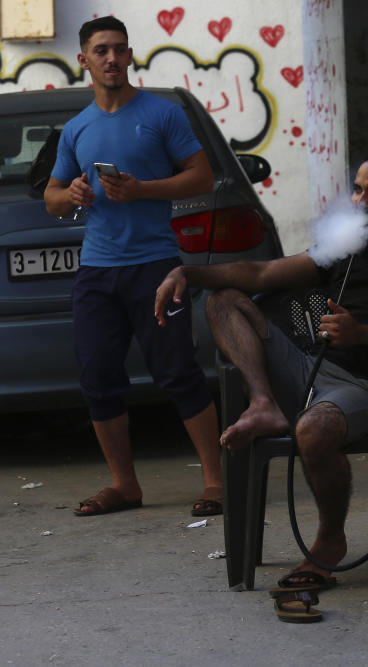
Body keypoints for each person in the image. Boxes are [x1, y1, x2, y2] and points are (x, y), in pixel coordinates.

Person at [153, 150, 368, 595]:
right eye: (356, 189)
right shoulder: (346, 245)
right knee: (224, 301)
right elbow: (261, 272)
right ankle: (264, 403)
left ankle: (329, 541)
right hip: (312, 371)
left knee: (315, 432)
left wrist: (362, 334)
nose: (359, 201)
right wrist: (187, 272)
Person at [44, 17, 222, 518]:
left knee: (178, 373)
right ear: (84, 59)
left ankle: (216, 482)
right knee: (98, 377)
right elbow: (53, 199)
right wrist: (72, 194)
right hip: (98, 272)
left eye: (120, 49)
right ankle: (125, 485)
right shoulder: (77, 129)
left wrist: (142, 189)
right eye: (101, 50)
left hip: (156, 267)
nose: (112, 59)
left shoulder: (161, 114)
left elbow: (201, 177)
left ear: (130, 55)